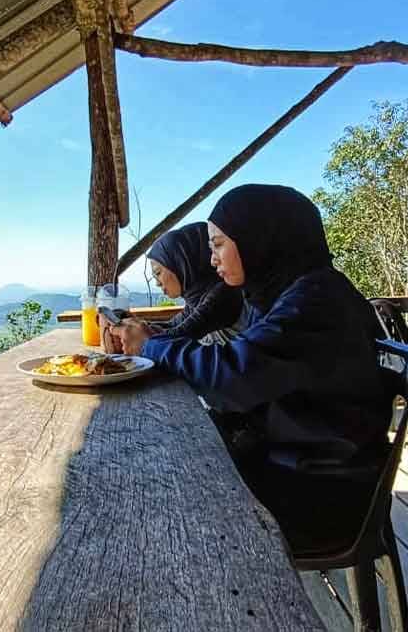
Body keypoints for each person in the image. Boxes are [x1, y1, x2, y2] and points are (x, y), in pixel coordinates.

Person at [113, 184, 390, 554]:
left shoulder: (316, 301)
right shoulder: (281, 293)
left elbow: (232, 379)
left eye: (218, 245)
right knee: (155, 461)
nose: (212, 260)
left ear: (260, 236)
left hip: (322, 492)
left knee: (156, 502)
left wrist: (149, 345)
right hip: (292, 460)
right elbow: (239, 368)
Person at [145, 222, 244, 344]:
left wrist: (139, 333)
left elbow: (179, 334)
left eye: (158, 273)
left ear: (181, 263)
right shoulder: (197, 297)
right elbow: (171, 325)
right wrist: (139, 324)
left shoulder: (224, 294)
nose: (157, 283)